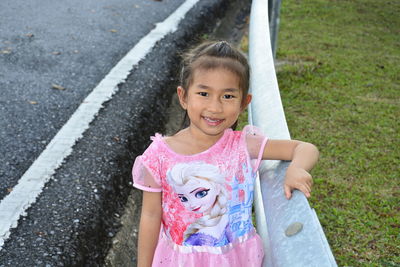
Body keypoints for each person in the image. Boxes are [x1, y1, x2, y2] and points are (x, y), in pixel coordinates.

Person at [132, 40, 319, 267]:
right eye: (203, 93)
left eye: (228, 96)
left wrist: (297, 168)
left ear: (244, 103)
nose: (215, 107)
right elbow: (150, 216)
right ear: (183, 97)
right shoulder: (159, 155)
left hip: (237, 260)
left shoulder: (243, 146)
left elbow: (305, 148)